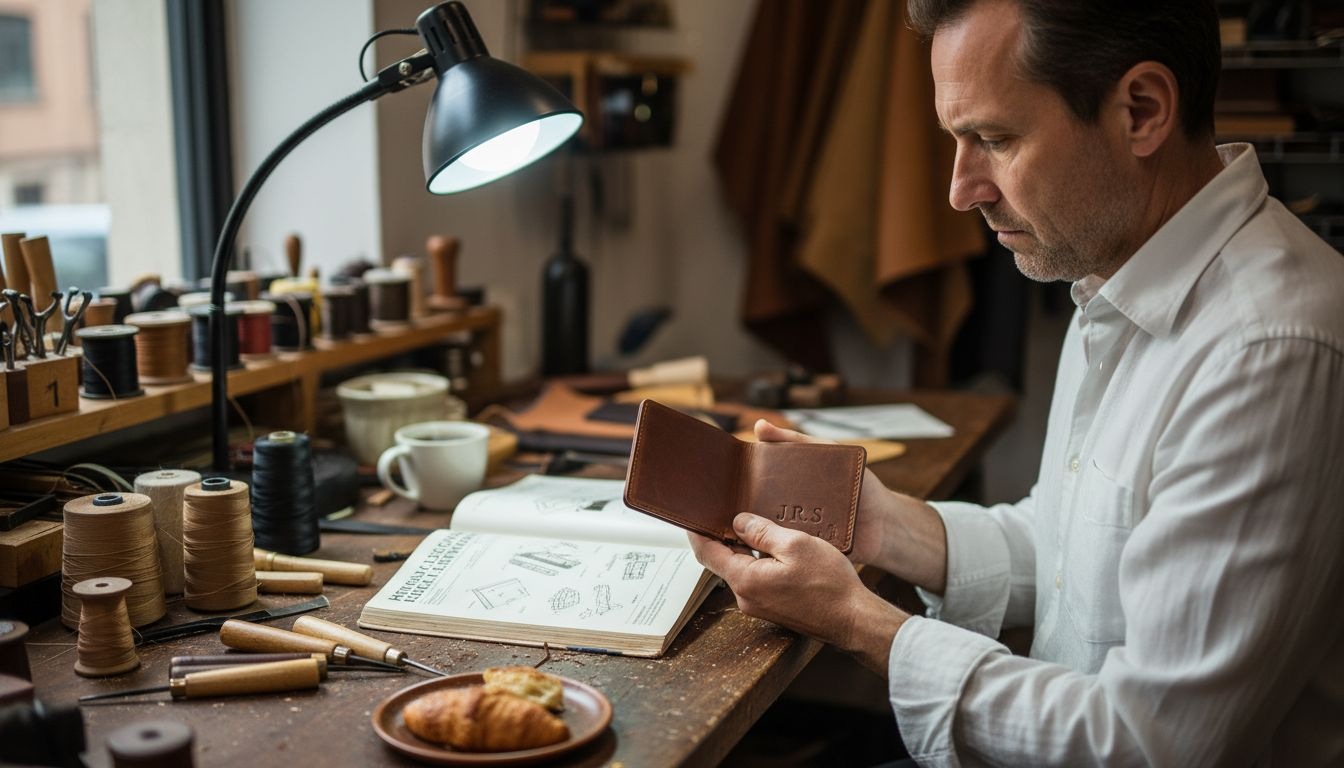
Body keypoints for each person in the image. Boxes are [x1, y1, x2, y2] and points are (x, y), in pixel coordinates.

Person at [688, 0, 1344, 765]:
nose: (962, 190)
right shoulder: (1120, 272)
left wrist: (857, 622)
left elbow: (1150, 743)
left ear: (1142, 111)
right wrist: (880, 523)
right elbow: (1068, 548)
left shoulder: (1266, 350)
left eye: (994, 140)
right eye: (957, 141)